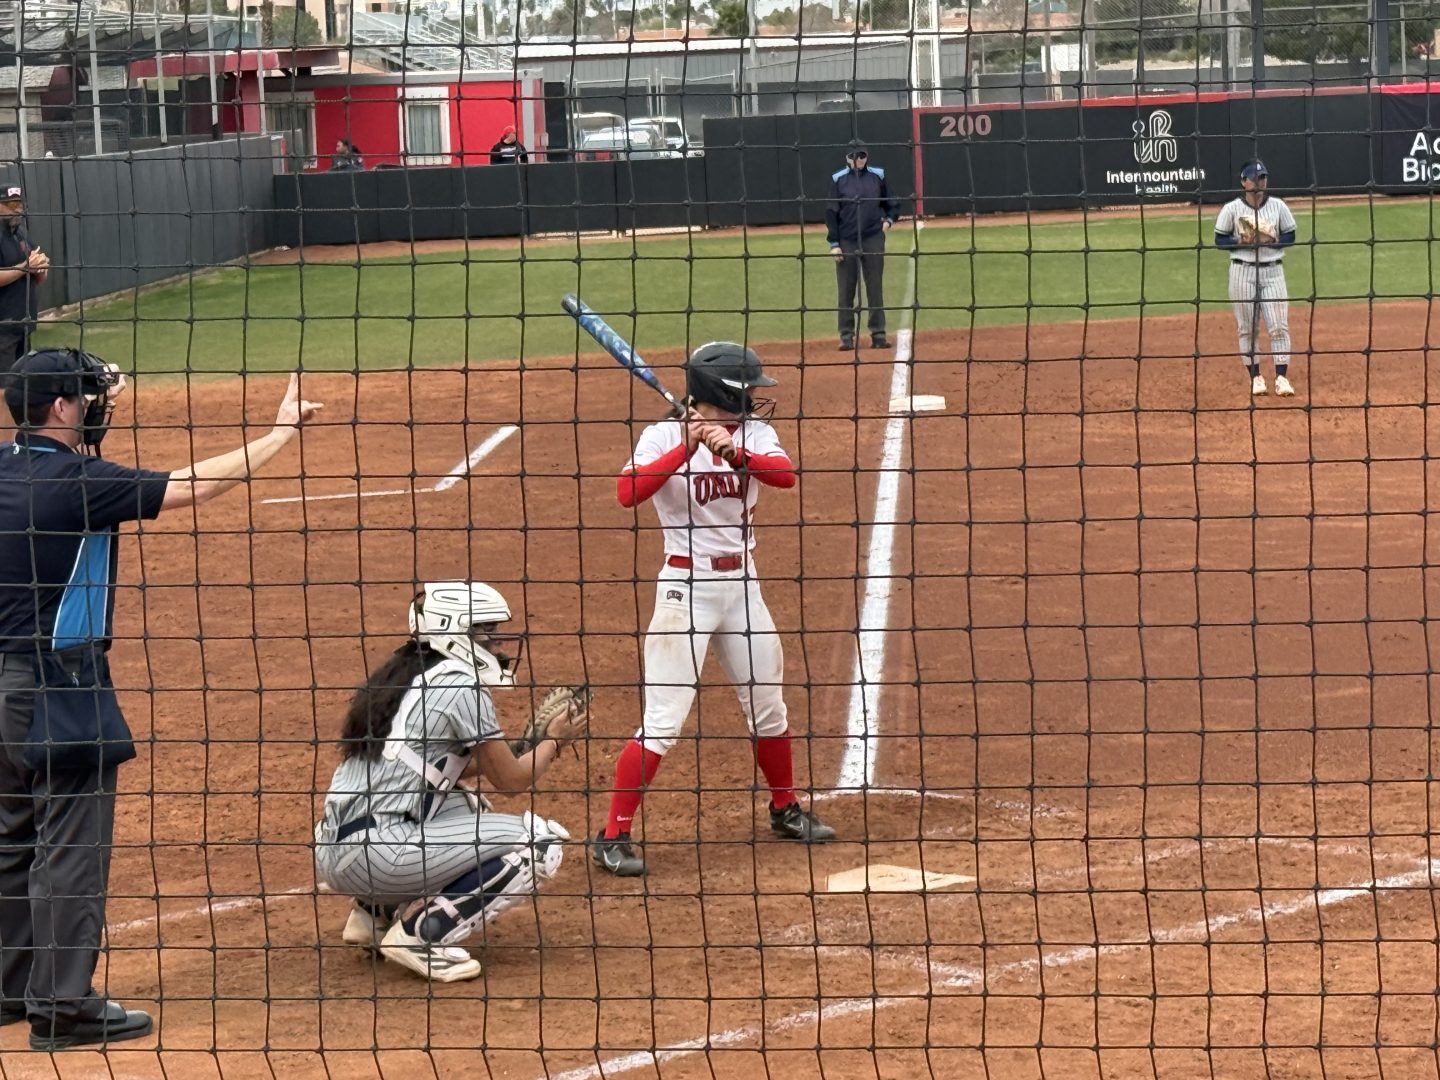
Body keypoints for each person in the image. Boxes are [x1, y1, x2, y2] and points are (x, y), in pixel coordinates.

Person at [0, 350, 321, 1050]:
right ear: (60, 409)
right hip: (57, 689)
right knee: (69, 847)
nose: (95, 407)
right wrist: (278, 435)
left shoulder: (5, 469)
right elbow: (190, 486)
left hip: (1, 687)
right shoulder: (79, 482)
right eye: (86, 398)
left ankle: (10, 990)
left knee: (12, 836)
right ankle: (61, 1010)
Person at [590, 343, 835, 878]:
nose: (757, 398)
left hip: (743, 585)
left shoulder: (754, 434)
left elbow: (784, 476)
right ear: (723, 391)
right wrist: (685, 444)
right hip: (686, 588)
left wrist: (735, 452)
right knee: (665, 718)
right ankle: (613, 835)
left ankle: (784, 807)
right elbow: (627, 493)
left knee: (768, 705)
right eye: (748, 390)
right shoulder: (660, 435)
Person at [313, 582, 583, 983]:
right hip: (379, 854)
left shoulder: (402, 676)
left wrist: (526, 745)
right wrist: (552, 744)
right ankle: (422, 934)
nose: (496, 643)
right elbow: (510, 780)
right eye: (485, 632)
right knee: (539, 844)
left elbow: (438, 767)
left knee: (462, 804)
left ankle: (373, 914)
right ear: (455, 633)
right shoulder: (462, 684)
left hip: (335, 849)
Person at [1214, 159, 1298, 397]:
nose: (1259, 183)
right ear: (1243, 181)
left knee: (1279, 325)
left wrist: (1273, 239)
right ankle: (1256, 378)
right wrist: (1239, 241)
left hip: (1273, 270)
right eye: (1254, 178)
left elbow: (1291, 235)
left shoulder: (1279, 206)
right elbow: (1219, 240)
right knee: (1247, 329)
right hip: (1242, 271)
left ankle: (1282, 377)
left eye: (1262, 178)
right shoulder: (1231, 209)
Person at [826, 141, 898, 352]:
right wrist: (834, 244)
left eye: (862, 156)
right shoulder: (837, 179)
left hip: (873, 238)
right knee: (846, 289)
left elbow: (891, 202)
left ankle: (878, 334)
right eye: (854, 156)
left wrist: (888, 221)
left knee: (875, 287)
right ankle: (846, 336)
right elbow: (831, 212)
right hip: (847, 241)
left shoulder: (878, 176)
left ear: (866, 157)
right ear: (847, 158)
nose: (858, 160)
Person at [0, 186, 50, 374]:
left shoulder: (19, 232)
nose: (18, 209)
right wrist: (24, 267)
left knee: (22, 383)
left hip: (23, 321)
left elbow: (37, 277)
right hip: (3, 326)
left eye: (20, 204)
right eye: (11, 204)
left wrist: (40, 267)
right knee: (3, 389)